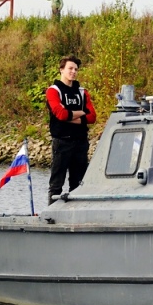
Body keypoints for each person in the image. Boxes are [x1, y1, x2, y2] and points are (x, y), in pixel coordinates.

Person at [45, 55, 96, 203]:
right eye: (70, 68)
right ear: (62, 70)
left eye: (76, 69)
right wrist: (81, 114)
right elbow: (61, 114)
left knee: (78, 183)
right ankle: (51, 214)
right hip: (62, 142)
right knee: (56, 183)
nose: (73, 72)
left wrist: (70, 116)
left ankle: (74, 214)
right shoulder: (53, 91)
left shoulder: (82, 92)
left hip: (80, 143)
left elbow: (92, 117)